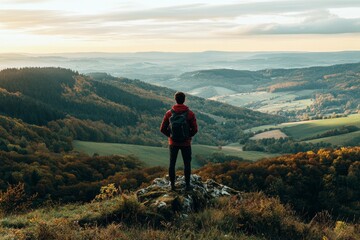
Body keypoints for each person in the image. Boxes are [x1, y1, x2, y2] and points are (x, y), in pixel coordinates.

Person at [160, 92, 198, 191]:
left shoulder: (169, 113)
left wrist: (171, 136)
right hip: (186, 143)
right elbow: (195, 129)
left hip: (173, 143)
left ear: (175, 99)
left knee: (172, 163)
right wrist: (188, 136)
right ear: (184, 100)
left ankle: (172, 185)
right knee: (187, 164)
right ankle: (187, 185)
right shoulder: (190, 113)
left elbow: (162, 129)